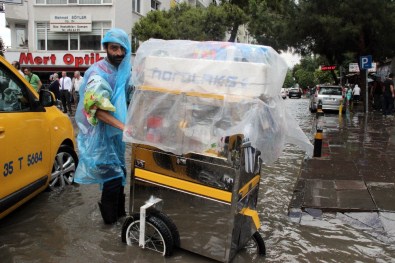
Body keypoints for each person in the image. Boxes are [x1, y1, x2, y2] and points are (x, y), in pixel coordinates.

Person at [74, 28, 131, 224]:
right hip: (100, 139)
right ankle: (110, 226)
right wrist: (125, 128)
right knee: (113, 180)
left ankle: (121, 219)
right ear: (106, 47)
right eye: (114, 48)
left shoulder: (123, 72)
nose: (119, 53)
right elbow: (95, 109)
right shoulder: (97, 73)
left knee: (121, 175)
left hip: (116, 138)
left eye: (123, 49)